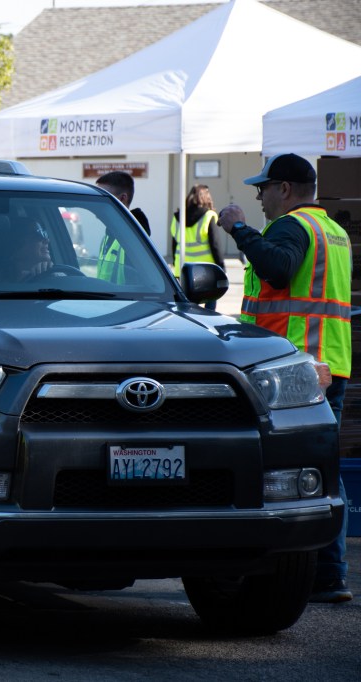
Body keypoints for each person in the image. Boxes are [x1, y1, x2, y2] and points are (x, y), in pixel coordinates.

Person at [218, 153, 352, 604]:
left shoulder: (292, 227)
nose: (258, 197)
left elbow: (278, 268)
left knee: (293, 468)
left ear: (286, 190)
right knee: (323, 467)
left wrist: (238, 228)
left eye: (264, 188)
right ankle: (328, 574)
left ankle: (321, 573)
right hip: (329, 362)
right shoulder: (332, 231)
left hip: (296, 368)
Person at [170, 184, 224, 309]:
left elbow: (174, 243)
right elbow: (215, 244)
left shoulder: (177, 216)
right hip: (205, 270)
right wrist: (221, 265)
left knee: (187, 305)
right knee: (210, 302)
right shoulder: (209, 215)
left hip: (182, 267)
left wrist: (174, 262)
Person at [95, 171, 148, 283]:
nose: (96, 203)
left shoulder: (135, 239)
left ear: (123, 198)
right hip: (104, 299)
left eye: (102, 198)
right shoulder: (111, 234)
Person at [0, 217, 53, 283]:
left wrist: (50, 274)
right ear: (17, 245)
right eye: (39, 234)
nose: (46, 240)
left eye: (45, 233)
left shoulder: (52, 276)